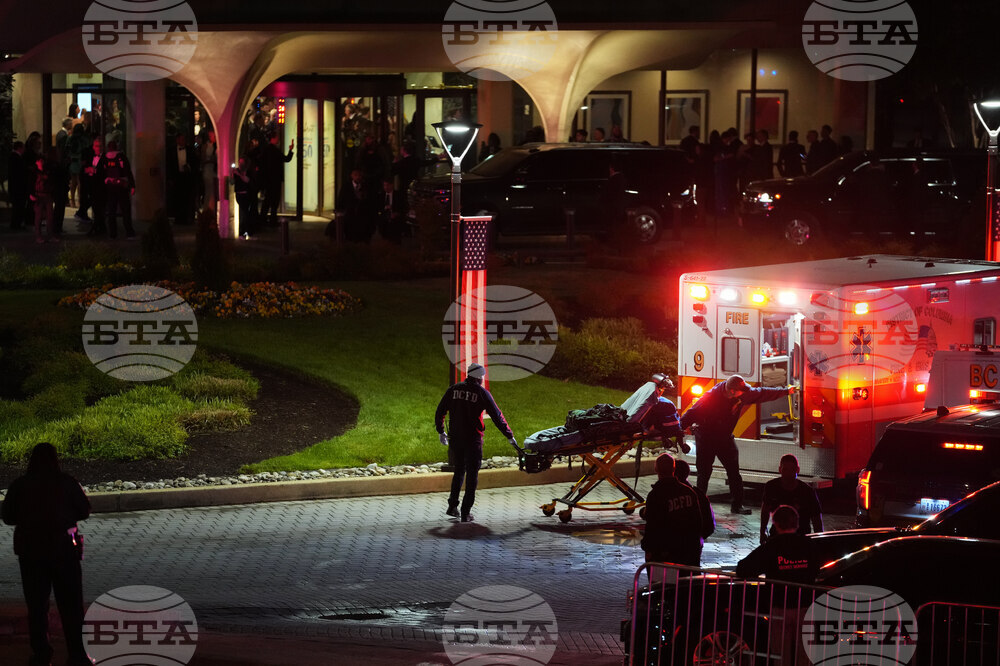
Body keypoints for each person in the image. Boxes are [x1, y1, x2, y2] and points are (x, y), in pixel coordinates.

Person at [2, 442, 93, 666]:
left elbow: (7, 516)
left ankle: (41, 652)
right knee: (71, 605)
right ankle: (77, 654)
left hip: (31, 553)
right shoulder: (67, 483)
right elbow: (84, 510)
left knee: (37, 606)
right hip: (64, 551)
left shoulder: (20, 485)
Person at [679, 374, 795, 514]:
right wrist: (675, 431)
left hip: (725, 438)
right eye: (742, 391)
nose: (746, 393)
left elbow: (763, 393)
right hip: (706, 438)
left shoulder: (743, 393)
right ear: (732, 391)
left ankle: (737, 505)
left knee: (734, 472)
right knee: (704, 473)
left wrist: (786, 391)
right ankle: (698, 507)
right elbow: (689, 414)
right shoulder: (710, 398)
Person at [736, 505, 818, 666]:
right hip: (806, 607)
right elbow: (815, 569)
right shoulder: (808, 545)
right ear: (796, 523)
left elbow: (743, 568)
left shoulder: (772, 547)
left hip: (781, 607)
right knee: (805, 655)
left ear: (776, 524)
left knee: (781, 655)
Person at [435, 363, 517, 523]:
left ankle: (452, 506)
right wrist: (509, 435)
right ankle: (466, 512)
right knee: (472, 475)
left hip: (456, 438)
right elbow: (497, 416)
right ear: (479, 377)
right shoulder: (481, 393)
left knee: (459, 471)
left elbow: (440, 410)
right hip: (473, 440)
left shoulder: (453, 389)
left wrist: (441, 431)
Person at [641, 453, 704, 568]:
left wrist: (648, 547)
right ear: (674, 468)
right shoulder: (688, 492)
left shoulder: (656, 495)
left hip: (665, 554)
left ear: (656, 469)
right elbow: (698, 522)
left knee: (663, 585)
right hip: (689, 552)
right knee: (688, 584)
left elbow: (653, 526)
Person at [759, 454, 823, 544]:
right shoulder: (771, 487)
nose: (788, 473)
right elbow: (765, 510)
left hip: (800, 538)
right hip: (777, 537)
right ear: (780, 470)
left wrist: (819, 540)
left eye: (792, 470)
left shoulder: (807, 491)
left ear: (798, 470)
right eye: (785, 469)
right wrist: (762, 532)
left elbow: (816, 519)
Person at [674, 458, 715, 564]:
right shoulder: (698, 494)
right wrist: (698, 539)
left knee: (669, 579)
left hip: (671, 550)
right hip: (693, 548)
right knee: (691, 577)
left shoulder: (664, 494)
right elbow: (710, 524)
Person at [97, 139, 136, 239]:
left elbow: (100, 173)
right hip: (121, 185)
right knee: (125, 210)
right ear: (116, 147)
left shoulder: (104, 158)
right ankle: (129, 232)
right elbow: (128, 171)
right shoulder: (121, 157)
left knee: (111, 211)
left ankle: (113, 233)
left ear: (108, 148)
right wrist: (132, 185)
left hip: (110, 186)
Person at [261, 133, 294, 228]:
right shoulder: (275, 151)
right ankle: (272, 221)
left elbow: (262, 165)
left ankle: (263, 220)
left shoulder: (266, 150)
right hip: (275, 180)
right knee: (274, 202)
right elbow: (286, 159)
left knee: (267, 201)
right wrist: (291, 150)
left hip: (268, 180)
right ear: (273, 138)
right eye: (277, 137)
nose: (278, 139)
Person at [166, 133, 197, 225]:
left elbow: (194, 162)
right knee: (177, 198)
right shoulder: (171, 151)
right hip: (176, 177)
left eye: (184, 139)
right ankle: (178, 218)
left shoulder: (190, 150)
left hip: (187, 177)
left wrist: (189, 167)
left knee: (186, 197)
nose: (183, 141)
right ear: (177, 140)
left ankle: (186, 218)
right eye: (181, 139)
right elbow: (169, 165)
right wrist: (170, 178)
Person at [8, 140, 28, 230]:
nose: (24, 149)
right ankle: (16, 224)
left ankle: (16, 224)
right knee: (18, 206)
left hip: (15, 187)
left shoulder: (14, 157)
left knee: (18, 206)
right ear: (19, 148)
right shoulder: (16, 158)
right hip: (18, 187)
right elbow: (19, 173)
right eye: (23, 147)